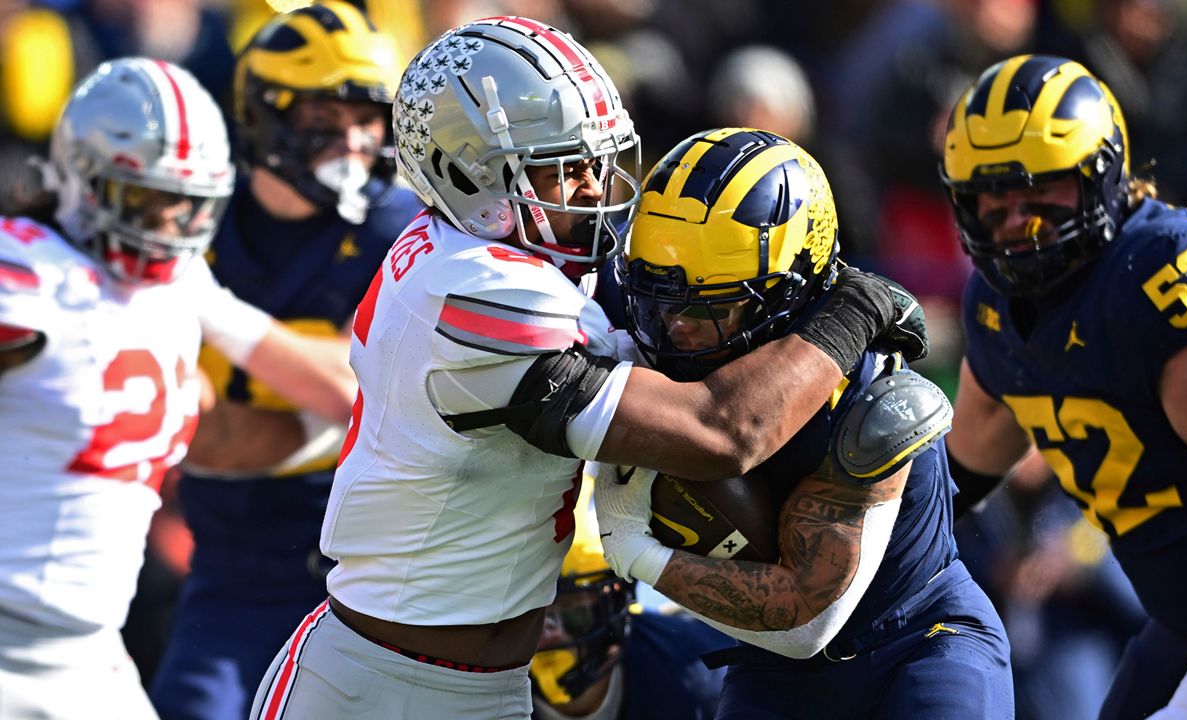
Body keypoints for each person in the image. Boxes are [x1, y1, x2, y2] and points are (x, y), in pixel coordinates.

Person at [250, 16, 928, 720]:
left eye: (596, 161)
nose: (592, 188)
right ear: (466, 176)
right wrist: (852, 312)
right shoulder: (473, 289)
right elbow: (724, 430)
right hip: (374, 687)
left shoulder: (480, 256)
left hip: (487, 686)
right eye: (561, 166)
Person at [591, 127, 1013, 719]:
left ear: (787, 296)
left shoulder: (868, 390)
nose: (673, 330)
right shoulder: (663, 335)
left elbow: (806, 618)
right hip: (777, 672)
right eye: (656, 301)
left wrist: (632, 550)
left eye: (707, 307)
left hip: (916, 644)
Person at [0, 57, 358, 720]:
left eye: (190, 204)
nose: (168, 224)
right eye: (148, 199)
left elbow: (241, 427)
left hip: (90, 657)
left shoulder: (178, 287)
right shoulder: (24, 272)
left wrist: (346, 426)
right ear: (82, 177)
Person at [939, 54, 1187, 719]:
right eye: (992, 195)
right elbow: (952, 484)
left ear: (1102, 177)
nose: (1016, 218)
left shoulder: (1164, 283)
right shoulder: (998, 306)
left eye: (1040, 189)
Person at [146, 4, 422, 720]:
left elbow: (360, 391)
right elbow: (196, 427)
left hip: (370, 581)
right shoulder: (200, 218)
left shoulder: (400, 230)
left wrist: (215, 313)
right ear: (264, 113)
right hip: (232, 571)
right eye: (324, 116)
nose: (355, 139)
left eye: (368, 118)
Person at [531, 477, 728, 720]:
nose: (547, 630)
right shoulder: (479, 690)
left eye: (573, 609)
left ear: (616, 601)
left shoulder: (696, 682)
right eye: (528, 612)